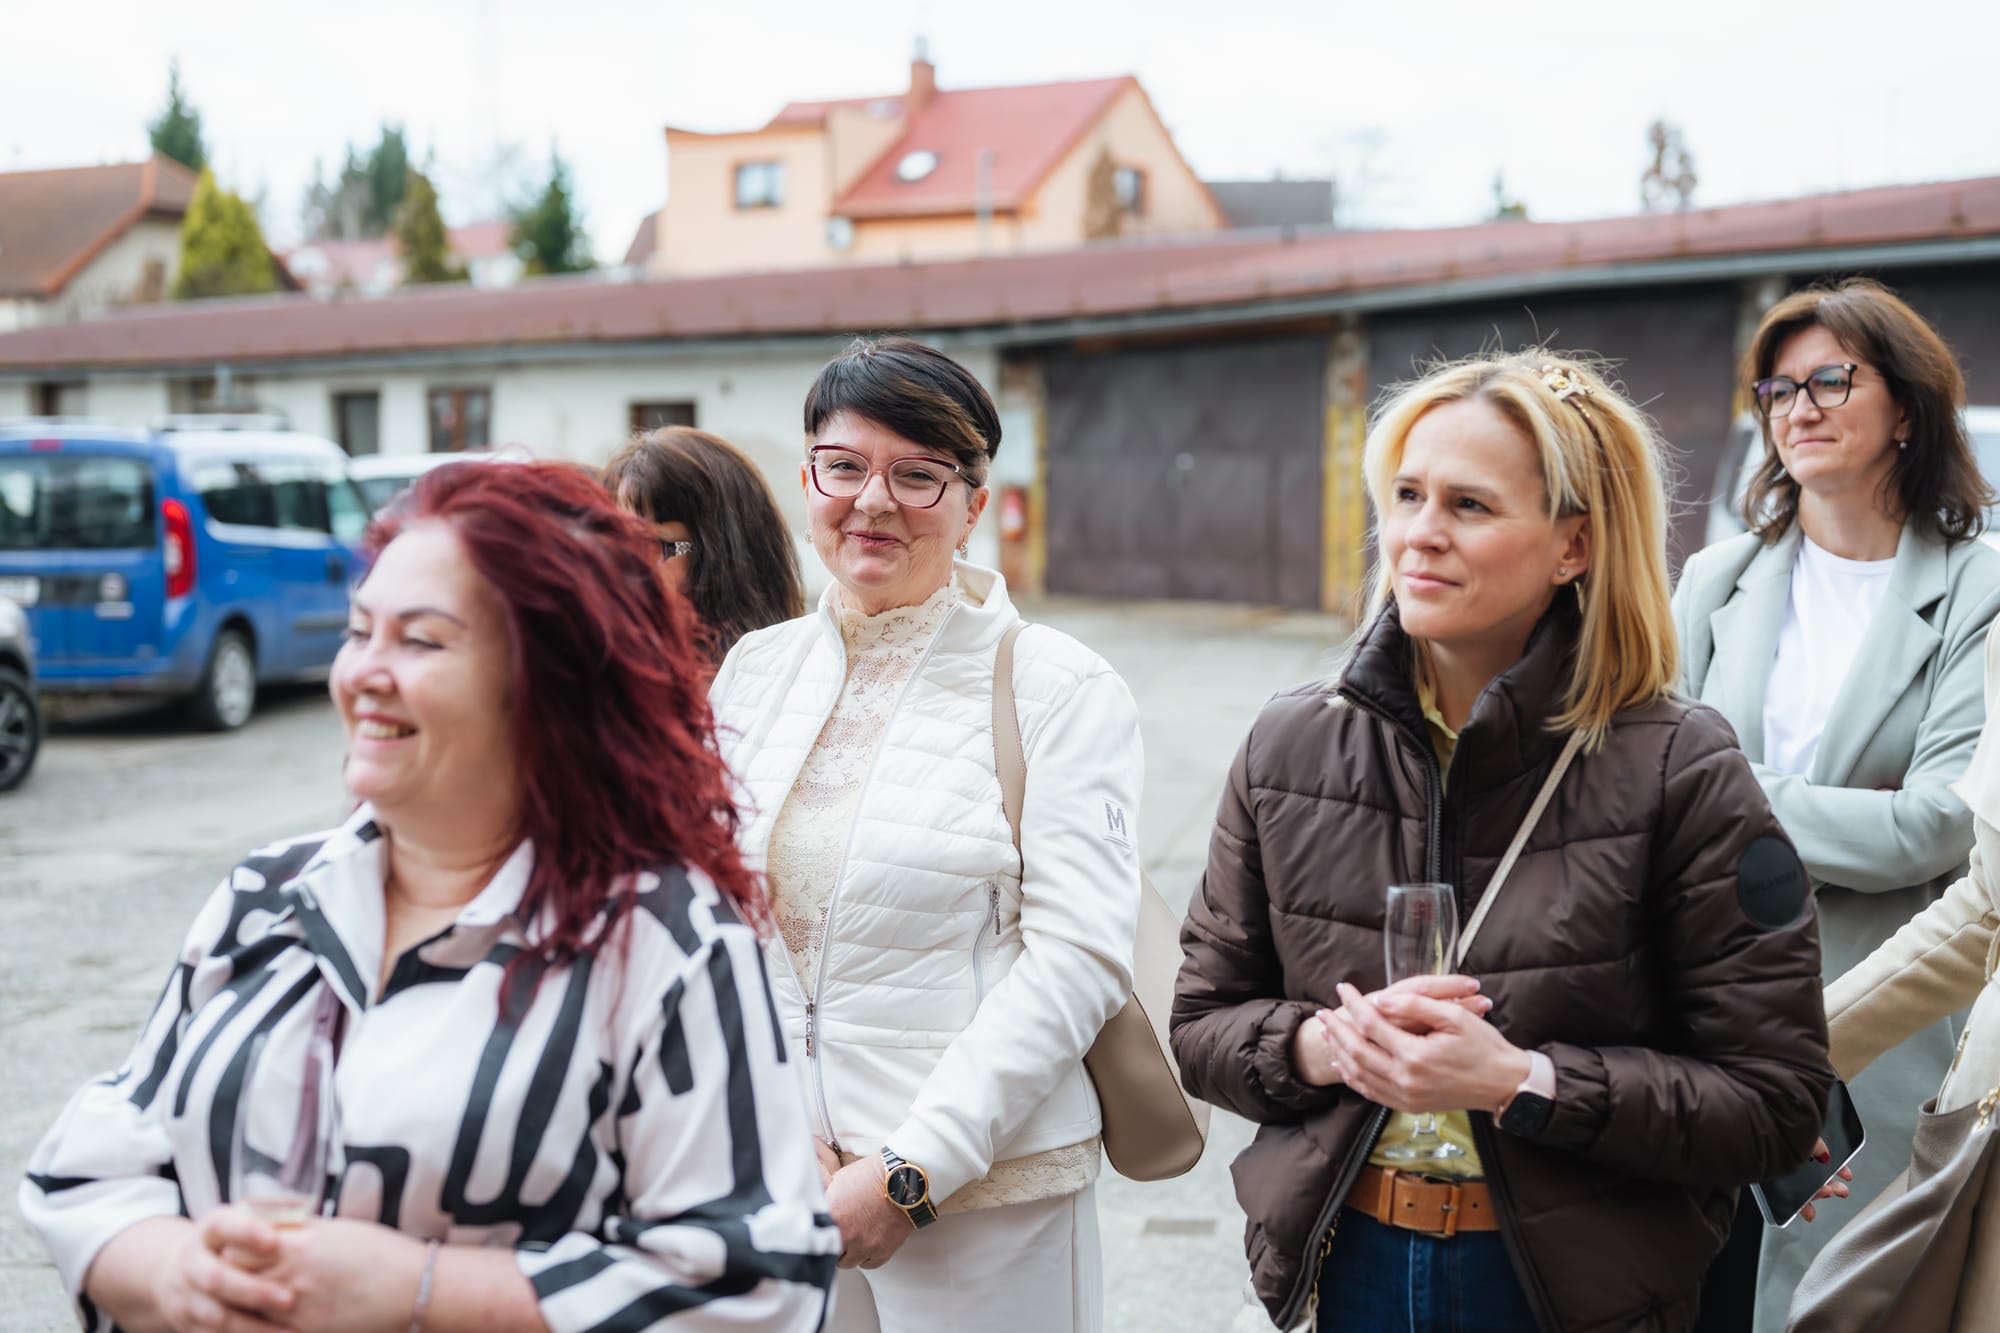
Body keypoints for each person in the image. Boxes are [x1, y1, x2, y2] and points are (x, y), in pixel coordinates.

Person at [21, 462, 839, 1332]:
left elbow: (762, 1284)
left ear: (546, 684)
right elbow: (90, 1166)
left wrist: (419, 1288)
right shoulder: (267, 896)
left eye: (420, 641)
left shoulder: (666, 941)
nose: (363, 673)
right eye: (359, 631)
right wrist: (176, 1272)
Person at [1171, 350, 1832, 1333]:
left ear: (1573, 545)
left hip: (1569, 1292)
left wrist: (1518, 1080)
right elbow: (1200, 1026)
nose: (1419, 533)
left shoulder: (1679, 767)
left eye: (1469, 505)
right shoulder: (1289, 743)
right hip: (1347, 1264)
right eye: (1406, 495)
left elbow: (1773, 1103)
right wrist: (1325, 1044)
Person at [708, 336, 1143, 1333]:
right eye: (844, 467)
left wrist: (909, 1172)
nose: (873, 501)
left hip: (985, 1202)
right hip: (791, 1180)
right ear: (806, 480)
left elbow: (1077, 956)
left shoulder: (1057, 685)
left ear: (972, 505)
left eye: (917, 475)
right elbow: (718, 926)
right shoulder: (753, 674)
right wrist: (777, 1123)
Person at [1673, 277, 2000, 1333]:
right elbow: (1651, 805)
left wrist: (1731, 789)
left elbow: (1936, 826)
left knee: (1843, 1304)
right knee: (1698, 1291)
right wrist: (1827, 813)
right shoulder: (1714, 581)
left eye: (1830, 381)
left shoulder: (1979, 588)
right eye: (1777, 389)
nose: (1797, 408)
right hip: (1706, 1016)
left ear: (1905, 409)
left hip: (1888, 1032)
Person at [604, 425, 806, 663]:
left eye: (653, 543)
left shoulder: (768, 672)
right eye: (619, 540)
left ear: (720, 557)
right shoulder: (607, 657)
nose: (628, 563)